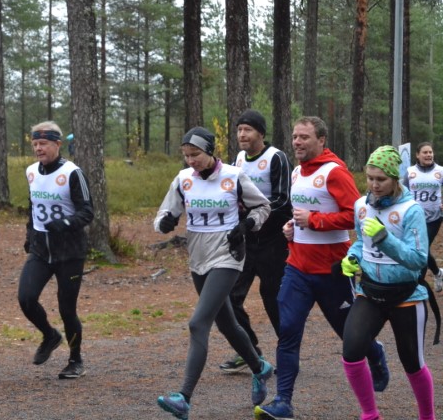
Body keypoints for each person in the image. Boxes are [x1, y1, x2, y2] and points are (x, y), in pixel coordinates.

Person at [255, 116, 388, 420]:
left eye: (304, 137)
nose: (297, 142)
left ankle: (374, 352)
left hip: (332, 270)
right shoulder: (297, 171)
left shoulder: (334, 172)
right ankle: (283, 402)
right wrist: (292, 227)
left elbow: (356, 216)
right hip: (297, 268)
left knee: (349, 335)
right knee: (288, 332)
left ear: (321, 140)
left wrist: (314, 221)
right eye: (295, 137)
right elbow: (300, 212)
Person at [155, 126, 274, 420]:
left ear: (209, 151)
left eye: (195, 154)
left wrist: (246, 225)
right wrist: (166, 223)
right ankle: (259, 367)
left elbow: (263, 206)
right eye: (186, 156)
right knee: (227, 324)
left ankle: (183, 398)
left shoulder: (233, 176)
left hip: (228, 255)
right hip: (198, 259)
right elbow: (163, 216)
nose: (191, 160)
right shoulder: (183, 179)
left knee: (198, 323)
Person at [340, 145, 434, 420]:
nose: (374, 185)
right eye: (370, 178)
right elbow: (361, 243)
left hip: (406, 296)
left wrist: (385, 239)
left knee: (412, 363)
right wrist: (352, 258)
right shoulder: (361, 206)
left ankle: (427, 417)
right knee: (351, 353)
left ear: (395, 178)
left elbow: (418, 259)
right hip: (370, 292)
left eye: (381, 179)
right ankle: (370, 415)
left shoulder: (411, 210)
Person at [18, 121, 93, 379]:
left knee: (67, 309)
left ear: (57, 144)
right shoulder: (31, 172)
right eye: (35, 144)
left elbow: (87, 212)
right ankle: (50, 335)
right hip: (41, 249)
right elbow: (33, 207)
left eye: (44, 143)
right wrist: (30, 235)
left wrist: (64, 224)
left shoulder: (73, 173)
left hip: (70, 252)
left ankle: (75, 360)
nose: (38, 148)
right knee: (26, 298)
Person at [219, 110, 292, 373]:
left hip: (272, 241)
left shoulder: (276, 157)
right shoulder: (238, 159)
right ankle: (249, 350)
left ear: (260, 133)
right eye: (239, 130)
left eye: (248, 130)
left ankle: (288, 353)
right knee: (229, 296)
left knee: (272, 298)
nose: (242, 135)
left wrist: (254, 217)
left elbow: (283, 200)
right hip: (246, 240)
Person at [402, 141, 443, 292]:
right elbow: (403, 192)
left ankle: (418, 285)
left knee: (422, 249)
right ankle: (438, 273)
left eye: (430, 152)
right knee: (420, 248)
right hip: (415, 217)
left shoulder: (440, 171)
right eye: (425, 152)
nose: (428, 155)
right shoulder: (410, 172)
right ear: (417, 155)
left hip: (434, 218)